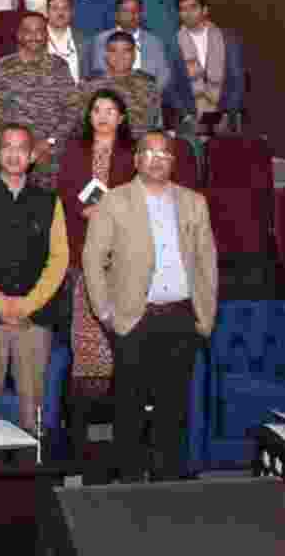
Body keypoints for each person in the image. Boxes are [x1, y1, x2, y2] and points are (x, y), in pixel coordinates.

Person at [82, 129, 218, 482]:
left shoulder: (193, 202)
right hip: (133, 318)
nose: (157, 160)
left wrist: (205, 317)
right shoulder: (115, 201)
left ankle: (168, 485)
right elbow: (93, 259)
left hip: (181, 317)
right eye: (150, 153)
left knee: (174, 409)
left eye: (165, 154)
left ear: (174, 161)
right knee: (128, 408)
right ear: (136, 159)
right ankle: (128, 486)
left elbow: (207, 264)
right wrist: (106, 313)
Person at [0, 123, 69, 430]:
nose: (14, 154)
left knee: (33, 411)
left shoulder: (49, 201)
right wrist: (0, 304)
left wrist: (28, 305)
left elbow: (59, 260)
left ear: (32, 156)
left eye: (21, 148)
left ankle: (34, 474)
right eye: (7, 147)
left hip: (35, 318)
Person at [58, 90, 136, 434]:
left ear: (121, 118)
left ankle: (118, 421)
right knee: (85, 332)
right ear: (89, 117)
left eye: (110, 110)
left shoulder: (132, 155)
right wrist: (83, 210)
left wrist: (109, 214)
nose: (103, 116)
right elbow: (63, 190)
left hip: (121, 255)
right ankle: (84, 427)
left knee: (117, 333)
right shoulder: (75, 151)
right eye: (97, 110)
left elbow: (138, 197)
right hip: (81, 248)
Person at [0, 12, 80, 187]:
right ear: (18, 35)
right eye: (28, 31)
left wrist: (49, 142)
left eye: (39, 31)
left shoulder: (58, 65)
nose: (34, 36)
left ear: (46, 34)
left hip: (51, 156)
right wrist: (17, 145)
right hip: (14, 155)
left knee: (48, 208)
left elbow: (72, 109)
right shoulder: (4, 65)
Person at [175, 0, 246, 120]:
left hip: (224, 112)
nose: (188, 13)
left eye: (193, 8)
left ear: (205, 10)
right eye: (183, 9)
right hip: (189, 115)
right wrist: (185, 113)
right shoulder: (173, 42)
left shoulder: (227, 38)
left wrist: (229, 113)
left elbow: (237, 80)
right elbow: (171, 84)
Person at [81, 0, 172, 88]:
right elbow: (98, 73)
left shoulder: (154, 41)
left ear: (141, 14)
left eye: (135, 10)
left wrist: (149, 94)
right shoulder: (101, 40)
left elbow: (163, 75)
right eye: (125, 11)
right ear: (116, 14)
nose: (131, 14)